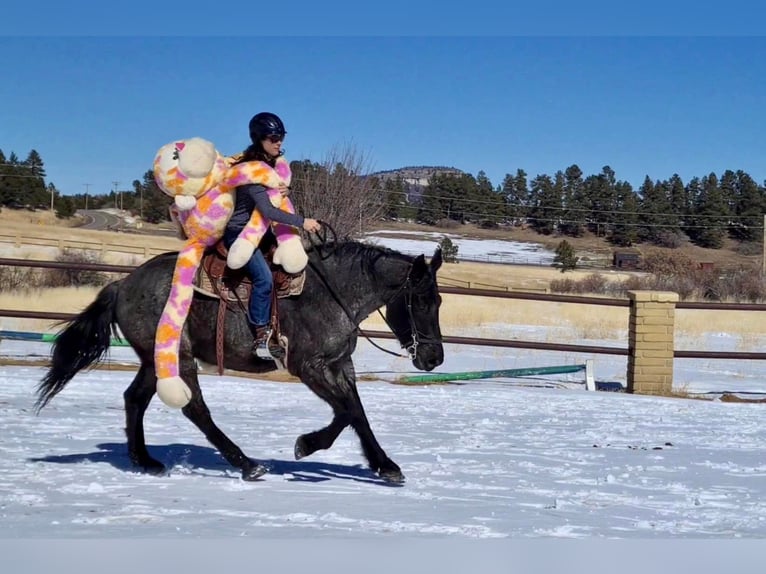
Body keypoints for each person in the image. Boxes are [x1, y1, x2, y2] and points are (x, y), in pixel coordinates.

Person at [223, 112, 321, 359]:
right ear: (259, 140)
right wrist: (303, 222)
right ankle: (260, 334)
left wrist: (288, 189)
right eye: (273, 138)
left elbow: (275, 196)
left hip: (262, 232)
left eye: (281, 137)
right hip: (240, 233)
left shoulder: (272, 167)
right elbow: (267, 209)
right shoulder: (251, 171)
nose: (279, 142)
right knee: (264, 279)